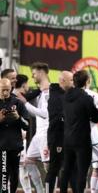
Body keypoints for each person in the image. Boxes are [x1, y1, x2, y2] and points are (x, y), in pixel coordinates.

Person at [60, 71, 98, 193]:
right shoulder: (86, 98)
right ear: (87, 81)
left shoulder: (65, 96)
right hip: (82, 140)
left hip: (67, 139)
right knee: (82, 172)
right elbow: (96, 118)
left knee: (66, 170)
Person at [20, 62, 51, 193]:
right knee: (28, 162)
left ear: (40, 72)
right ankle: (40, 191)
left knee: (48, 167)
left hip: (46, 135)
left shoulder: (50, 91)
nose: (32, 77)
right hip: (38, 135)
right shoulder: (40, 92)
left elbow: (45, 114)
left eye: (33, 74)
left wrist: (26, 103)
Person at [46, 71, 73, 193]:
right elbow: (57, 118)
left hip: (68, 136)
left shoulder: (67, 94)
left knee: (69, 168)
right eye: (71, 80)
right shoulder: (55, 97)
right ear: (63, 81)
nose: (74, 82)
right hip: (57, 137)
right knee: (54, 168)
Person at [0, 77, 28, 193]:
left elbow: (27, 125)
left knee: (15, 173)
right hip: (2, 145)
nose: (6, 93)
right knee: (4, 172)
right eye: (3, 90)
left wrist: (18, 118)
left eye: (7, 90)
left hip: (15, 145)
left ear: (11, 88)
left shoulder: (18, 103)